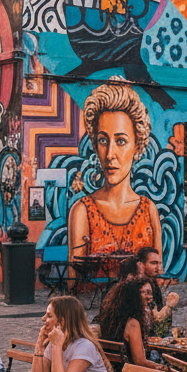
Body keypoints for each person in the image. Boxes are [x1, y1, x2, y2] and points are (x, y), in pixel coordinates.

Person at [67, 83, 162, 259]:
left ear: (137, 146)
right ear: (95, 146)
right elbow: (75, 278)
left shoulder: (149, 210)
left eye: (121, 141)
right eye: (103, 141)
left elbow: (157, 271)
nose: (110, 154)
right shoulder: (82, 211)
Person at [135, 246, 179, 327]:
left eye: (159, 263)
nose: (158, 267)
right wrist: (169, 305)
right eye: (153, 263)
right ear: (141, 265)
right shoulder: (140, 287)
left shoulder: (152, 281)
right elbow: (155, 318)